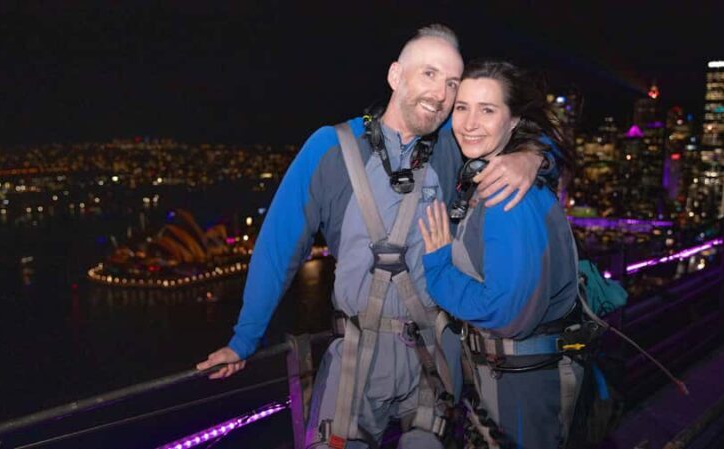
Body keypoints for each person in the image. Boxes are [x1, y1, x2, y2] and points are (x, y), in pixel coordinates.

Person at [197, 27, 554, 449]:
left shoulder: (452, 145)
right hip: (356, 357)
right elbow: (279, 246)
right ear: (395, 76)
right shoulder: (330, 149)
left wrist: (530, 158)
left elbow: (527, 133)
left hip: (433, 354)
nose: (441, 94)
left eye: (452, 83)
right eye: (429, 74)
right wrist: (244, 340)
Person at [419, 59, 580, 449]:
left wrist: (439, 271)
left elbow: (506, 314)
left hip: (518, 383)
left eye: (487, 110)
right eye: (462, 107)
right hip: (508, 376)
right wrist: (538, 154)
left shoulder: (507, 197)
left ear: (513, 122)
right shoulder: (490, 172)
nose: (470, 122)